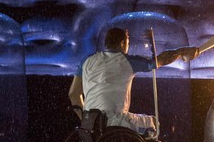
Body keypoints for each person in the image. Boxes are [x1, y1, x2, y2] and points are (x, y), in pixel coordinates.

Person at [68, 27, 199, 134]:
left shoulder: (86, 61)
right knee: (152, 123)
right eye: (128, 44)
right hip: (113, 122)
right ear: (122, 43)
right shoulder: (126, 61)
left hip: (90, 124)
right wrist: (182, 51)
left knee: (129, 121)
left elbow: (73, 94)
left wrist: (87, 120)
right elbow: (161, 60)